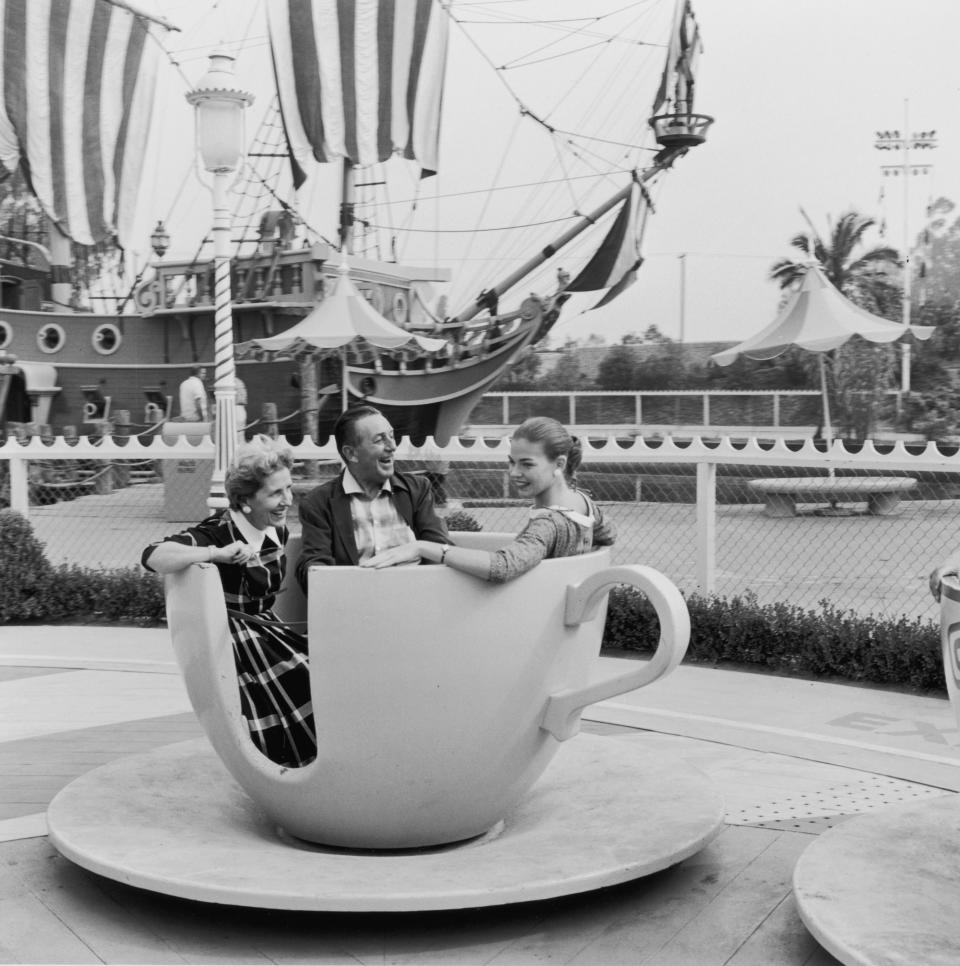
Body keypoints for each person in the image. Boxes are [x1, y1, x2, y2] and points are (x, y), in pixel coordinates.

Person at [141, 435, 315, 767]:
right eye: (276, 493)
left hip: (267, 630)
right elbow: (152, 555)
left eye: (288, 489)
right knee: (301, 682)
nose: (287, 500)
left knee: (324, 673)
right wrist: (215, 554)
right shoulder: (218, 532)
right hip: (235, 642)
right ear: (245, 501)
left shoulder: (274, 528)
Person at [362, 416, 615, 582]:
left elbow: (502, 567)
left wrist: (421, 546)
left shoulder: (548, 524)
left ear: (559, 463)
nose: (515, 473)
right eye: (512, 462)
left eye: (527, 464)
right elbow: (609, 535)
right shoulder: (584, 504)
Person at [295, 405, 449, 590]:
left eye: (391, 436)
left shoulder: (417, 490)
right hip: (355, 603)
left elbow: (439, 549)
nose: (392, 446)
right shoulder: (318, 503)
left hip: (415, 598)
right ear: (351, 453)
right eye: (379, 440)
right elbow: (313, 568)